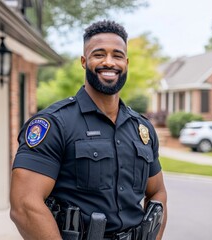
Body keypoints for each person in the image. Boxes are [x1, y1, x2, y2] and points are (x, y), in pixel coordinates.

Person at [10, 20, 167, 240]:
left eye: (117, 55)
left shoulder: (142, 129)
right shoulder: (54, 124)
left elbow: (157, 192)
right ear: (84, 61)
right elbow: (24, 205)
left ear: (126, 62)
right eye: (99, 54)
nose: (109, 62)